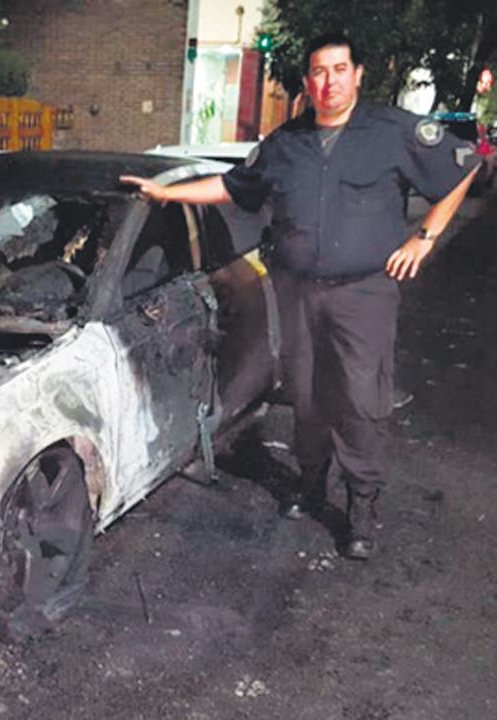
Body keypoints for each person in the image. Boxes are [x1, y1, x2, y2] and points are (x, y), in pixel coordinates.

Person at [121, 32, 480, 560]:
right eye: (319, 71)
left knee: (360, 399)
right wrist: (168, 192)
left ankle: (361, 505)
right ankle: (311, 483)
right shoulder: (286, 142)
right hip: (296, 291)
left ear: (358, 74)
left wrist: (423, 238)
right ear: (307, 81)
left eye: (339, 69)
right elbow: (233, 186)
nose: (328, 81)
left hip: (363, 294)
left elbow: (462, 167)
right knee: (306, 395)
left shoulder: (392, 131)